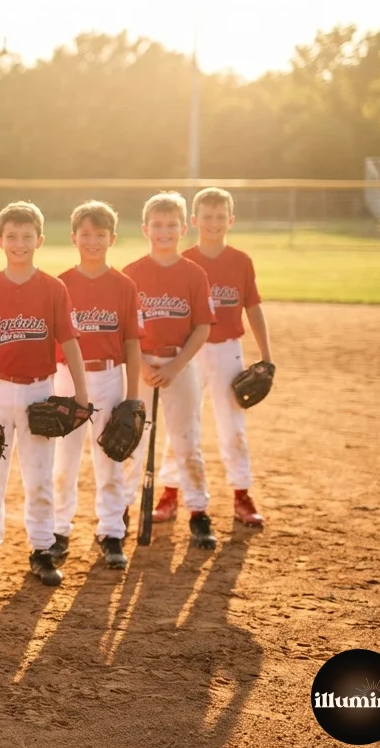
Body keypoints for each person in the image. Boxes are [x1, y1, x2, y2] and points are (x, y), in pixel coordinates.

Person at [0, 201, 89, 588]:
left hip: (40, 392)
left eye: (27, 237)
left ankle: (42, 549)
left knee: (40, 477)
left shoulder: (53, 288)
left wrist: (80, 393)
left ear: (39, 240)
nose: (19, 243)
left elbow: (70, 342)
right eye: (12, 236)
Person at [155, 187, 271, 528]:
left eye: (221, 216)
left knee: (232, 426)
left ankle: (241, 494)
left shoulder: (240, 261)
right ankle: (170, 491)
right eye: (206, 216)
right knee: (182, 422)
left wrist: (267, 356)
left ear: (231, 220)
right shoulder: (183, 261)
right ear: (193, 221)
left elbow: (253, 307)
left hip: (226, 350)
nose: (214, 222)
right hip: (189, 351)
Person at [49, 201, 142, 570]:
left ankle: (110, 530)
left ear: (112, 238)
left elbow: (133, 343)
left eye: (100, 235)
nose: (92, 241)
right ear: (73, 237)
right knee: (63, 463)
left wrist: (133, 396)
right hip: (67, 377)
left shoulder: (123, 285)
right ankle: (58, 530)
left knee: (111, 459)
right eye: (85, 234)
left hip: (108, 376)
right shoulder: (60, 285)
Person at [122, 191, 218, 549]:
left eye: (171, 225)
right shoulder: (131, 274)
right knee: (132, 441)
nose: (164, 231)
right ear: (146, 228)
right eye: (158, 225)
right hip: (141, 363)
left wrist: (177, 365)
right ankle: (122, 510)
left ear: (183, 229)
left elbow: (203, 327)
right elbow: (124, 330)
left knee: (187, 440)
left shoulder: (194, 274)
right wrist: (143, 363)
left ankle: (198, 511)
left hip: (181, 363)